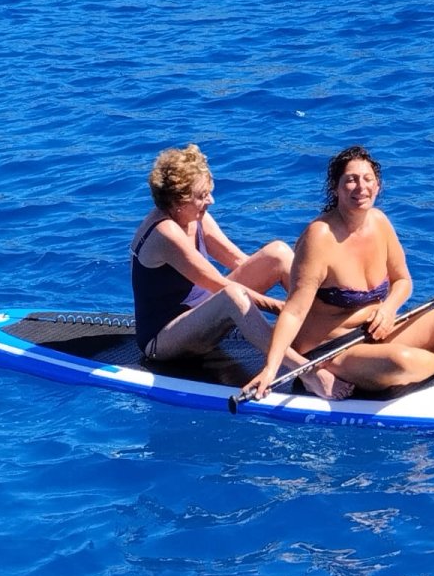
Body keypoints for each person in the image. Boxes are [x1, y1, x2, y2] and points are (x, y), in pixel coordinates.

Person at [244, 145, 434, 400]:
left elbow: (403, 280)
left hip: (378, 331)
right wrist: (271, 368)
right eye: (350, 180)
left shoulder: (380, 223)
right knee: (402, 362)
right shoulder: (319, 237)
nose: (361, 187)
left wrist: (389, 309)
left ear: (378, 185)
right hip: (332, 349)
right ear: (335, 188)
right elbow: (294, 311)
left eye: (368, 179)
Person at [131, 144, 352, 400]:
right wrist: (286, 309)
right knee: (233, 296)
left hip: (202, 313)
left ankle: (335, 322)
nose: (210, 201)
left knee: (277, 253)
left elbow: (239, 260)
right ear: (178, 202)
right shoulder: (165, 234)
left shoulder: (196, 218)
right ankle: (307, 372)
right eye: (202, 196)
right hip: (164, 340)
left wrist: (301, 304)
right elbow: (219, 286)